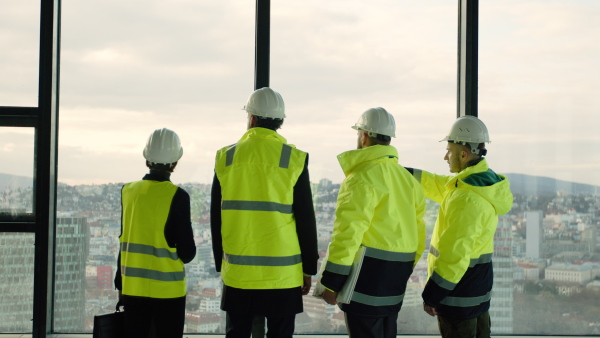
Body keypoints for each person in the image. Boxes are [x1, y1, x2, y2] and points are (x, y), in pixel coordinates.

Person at [210, 87, 319, 338]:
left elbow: (217, 216)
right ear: (280, 121)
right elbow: (306, 219)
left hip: (239, 273)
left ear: (251, 118)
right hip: (283, 275)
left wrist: (221, 263)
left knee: (237, 333)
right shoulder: (293, 158)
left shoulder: (226, 157)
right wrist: (308, 269)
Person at [319, 107, 426, 338]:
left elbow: (348, 233)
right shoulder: (409, 180)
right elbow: (419, 233)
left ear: (364, 135)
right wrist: (403, 269)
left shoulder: (362, 177)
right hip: (395, 281)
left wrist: (331, 283)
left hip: (365, 283)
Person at [406, 116, 513, 338]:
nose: (445, 156)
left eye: (449, 150)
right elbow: (441, 187)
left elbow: (454, 254)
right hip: (475, 291)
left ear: (463, 154)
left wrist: (432, 295)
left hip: (458, 296)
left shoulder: (466, 198)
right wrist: (404, 174)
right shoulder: (478, 184)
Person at [115, 128, 196, 338]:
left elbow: (124, 239)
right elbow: (187, 253)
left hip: (132, 289)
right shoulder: (178, 196)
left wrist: (120, 284)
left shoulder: (128, 192)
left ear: (146, 157)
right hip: (168, 293)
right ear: (176, 161)